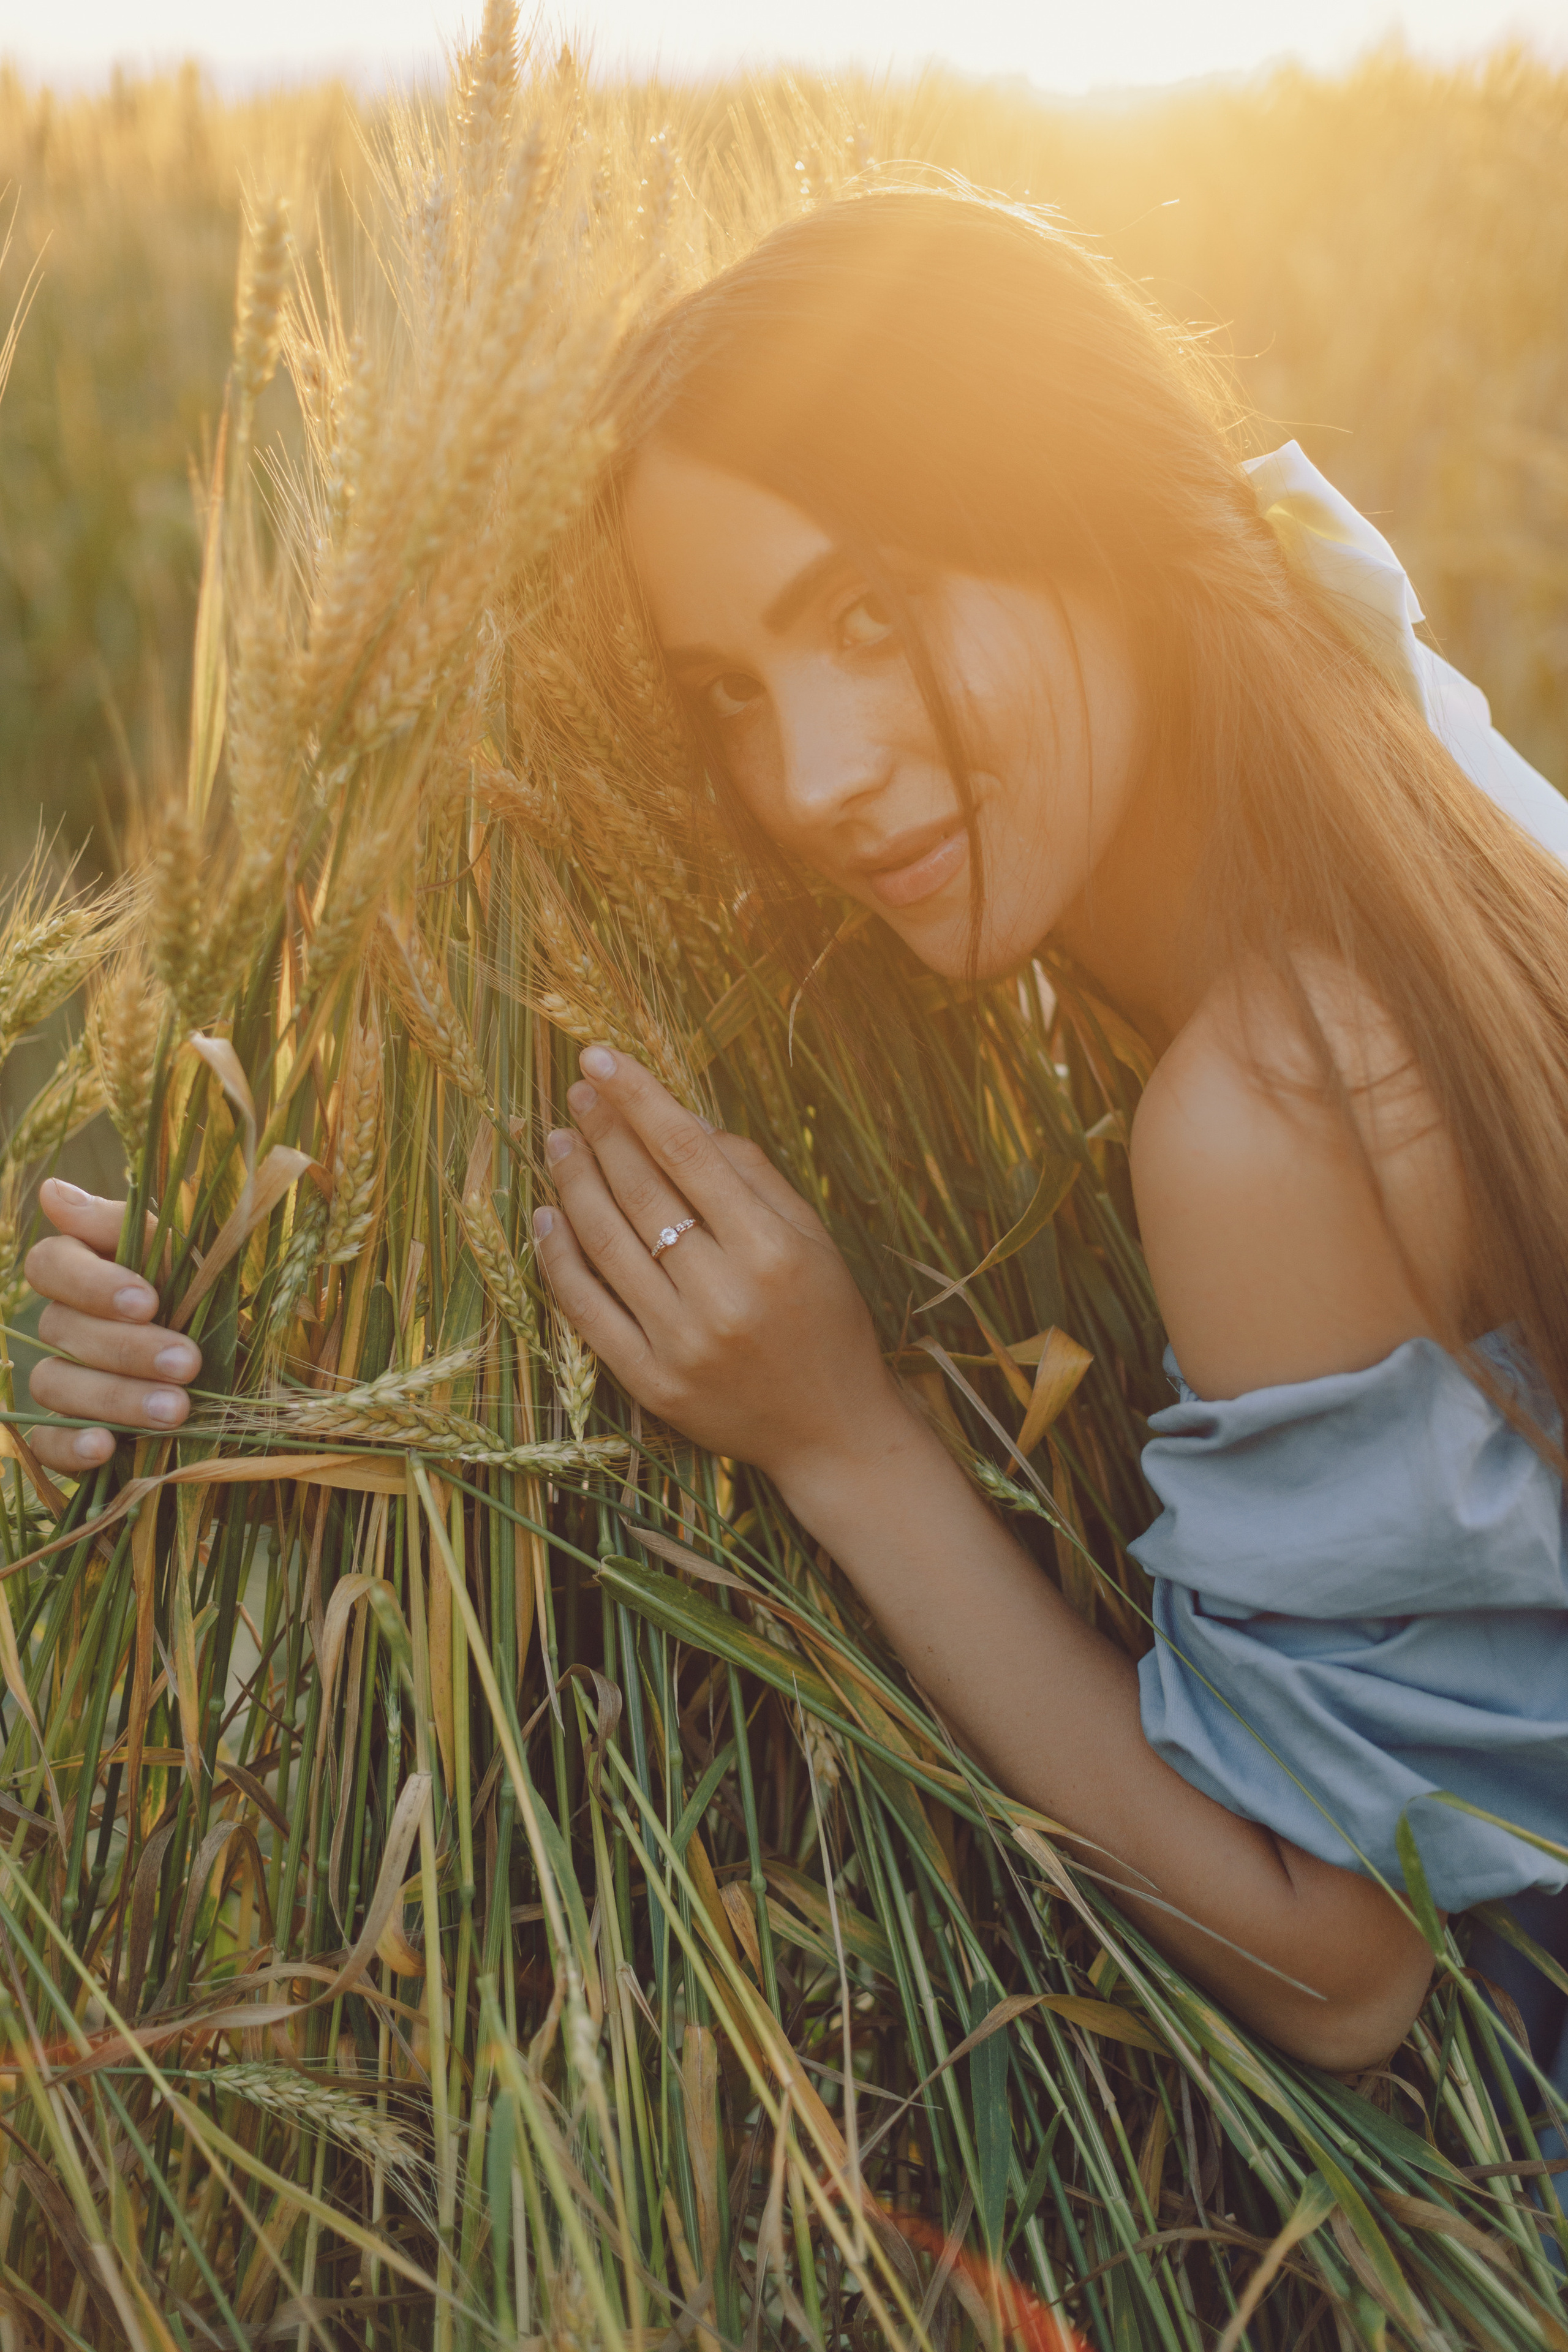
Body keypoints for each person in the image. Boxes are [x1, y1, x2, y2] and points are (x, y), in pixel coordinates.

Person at [25, 191, 1568, 2079]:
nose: (814, 778)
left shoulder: (1275, 1107)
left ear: (1087, 510)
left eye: (869, 613)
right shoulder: (1340, 688)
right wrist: (226, 1326)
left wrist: (845, 1442)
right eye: (729, 695)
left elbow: (1340, 1963)